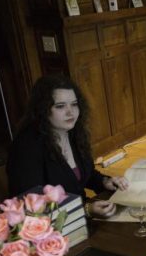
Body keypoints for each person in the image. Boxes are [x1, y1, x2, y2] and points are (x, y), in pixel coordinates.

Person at [7, 75, 128, 218]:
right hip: (53, 229)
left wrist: (105, 181)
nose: (70, 112)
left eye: (74, 104)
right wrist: (86, 209)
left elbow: (82, 175)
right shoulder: (27, 147)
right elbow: (32, 206)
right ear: (43, 109)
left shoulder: (72, 133)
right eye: (60, 106)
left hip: (81, 217)